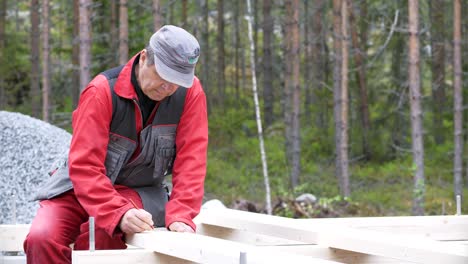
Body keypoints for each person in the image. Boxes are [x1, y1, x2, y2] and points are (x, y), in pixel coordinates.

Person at [23, 25, 208, 263]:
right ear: (144, 57)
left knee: (101, 234)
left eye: (177, 81)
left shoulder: (190, 94)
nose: (169, 87)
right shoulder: (101, 92)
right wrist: (116, 211)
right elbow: (84, 166)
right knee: (41, 238)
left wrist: (181, 215)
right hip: (80, 187)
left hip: (139, 191)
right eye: (164, 76)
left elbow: (192, 161)